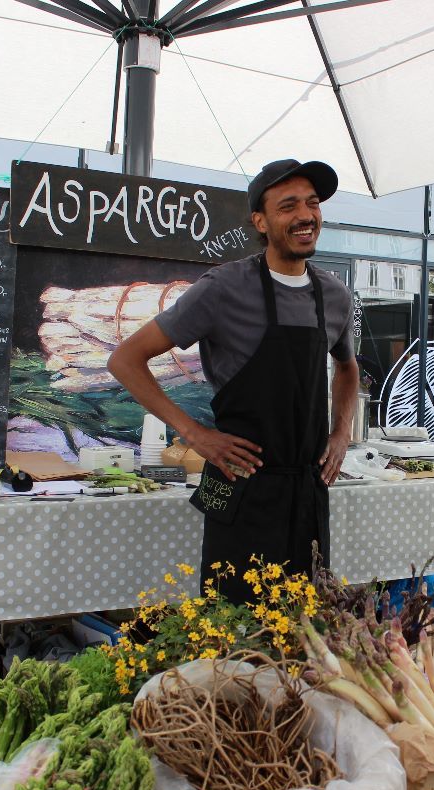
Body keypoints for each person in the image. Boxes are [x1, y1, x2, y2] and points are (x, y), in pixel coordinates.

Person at [108, 159, 358, 601]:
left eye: (312, 203)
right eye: (288, 206)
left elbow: (347, 366)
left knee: (303, 627)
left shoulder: (333, 294)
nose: (305, 215)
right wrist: (195, 434)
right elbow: (126, 360)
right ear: (260, 222)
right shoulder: (223, 288)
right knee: (232, 623)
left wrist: (341, 435)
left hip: (306, 491)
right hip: (237, 482)